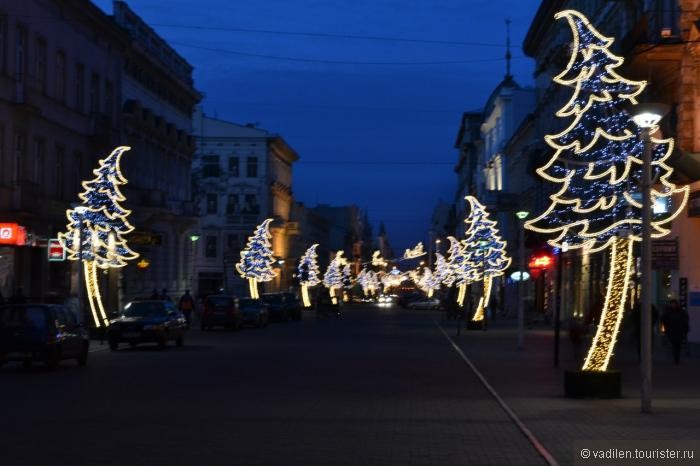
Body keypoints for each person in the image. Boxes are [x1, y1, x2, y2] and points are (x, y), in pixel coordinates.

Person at [661, 299, 689, 365]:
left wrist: (685, 328)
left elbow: (685, 319)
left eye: (674, 304)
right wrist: (666, 327)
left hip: (679, 331)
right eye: (672, 304)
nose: (673, 305)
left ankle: (677, 359)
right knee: (674, 345)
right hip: (672, 331)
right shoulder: (668, 312)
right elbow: (663, 319)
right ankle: (675, 358)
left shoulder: (680, 311)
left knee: (677, 345)